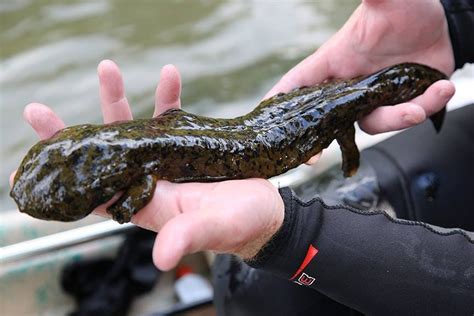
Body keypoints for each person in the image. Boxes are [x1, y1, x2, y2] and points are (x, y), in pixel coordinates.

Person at [11, 0, 473, 314]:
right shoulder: (145, 152)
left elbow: (143, 185)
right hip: (276, 124)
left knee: (260, 290)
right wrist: (453, 18)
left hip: (279, 131)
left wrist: (129, 206)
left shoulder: (144, 161)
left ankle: (365, 135)